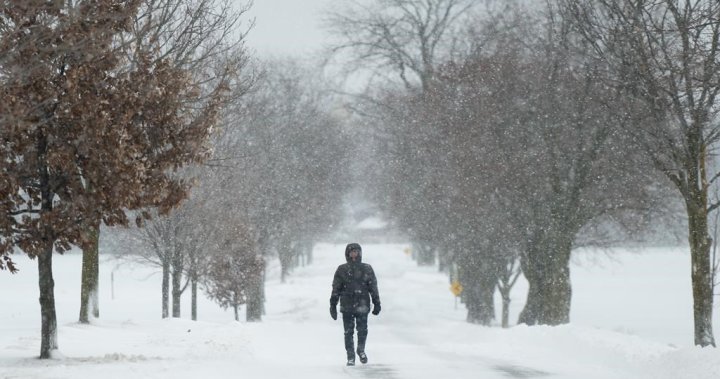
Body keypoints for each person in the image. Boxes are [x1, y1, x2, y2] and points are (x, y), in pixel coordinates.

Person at [329, 243, 381, 366]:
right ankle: (350, 356)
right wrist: (333, 304)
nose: (354, 254)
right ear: (347, 253)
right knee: (348, 332)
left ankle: (361, 350)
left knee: (362, 330)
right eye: (351, 251)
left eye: (356, 251)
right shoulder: (342, 269)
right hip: (347, 305)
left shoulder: (367, 268)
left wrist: (376, 302)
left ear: (360, 253)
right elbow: (336, 288)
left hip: (362, 304)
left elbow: (373, 287)